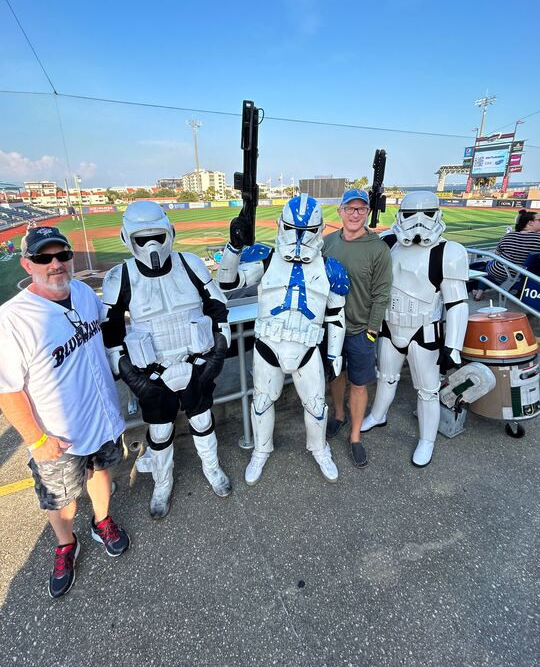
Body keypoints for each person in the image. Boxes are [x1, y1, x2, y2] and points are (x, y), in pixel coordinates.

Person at [0, 226, 130, 599]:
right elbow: (7, 390)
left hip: (101, 416)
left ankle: (102, 522)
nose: (55, 264)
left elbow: (108, 327)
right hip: (56, 434)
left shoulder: (85, 293)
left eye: (62, 255)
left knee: (103, 471)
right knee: (61, 499)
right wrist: (36, 440)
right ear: (28, 264)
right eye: (44, 258)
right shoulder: (13, 319)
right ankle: (64, 545)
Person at [101, 201, 231, 519]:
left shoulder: (190, 265)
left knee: (203, 421)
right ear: (127, 238)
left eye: (157, 236)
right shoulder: (120, 278)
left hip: (196, 363)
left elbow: (219, 310)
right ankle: (162, 483)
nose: (152, 246)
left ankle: (212, 470)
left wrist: (217, 354)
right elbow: (112, 336)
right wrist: (131, 377)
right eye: (142, 240)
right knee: (159, 433)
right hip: (153, 373)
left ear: (170, 232)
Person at [217, 193, 349, 485]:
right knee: (262, 403)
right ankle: (261, 451)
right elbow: (226, 282)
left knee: (316, 405)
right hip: (268, 346)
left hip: (308, 348)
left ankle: (320, 449)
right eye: (293, 229)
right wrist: (234, 248)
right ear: (280, 225)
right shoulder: (264, 259)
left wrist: (334, 355)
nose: (299, 239)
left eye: (307, 232)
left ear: (319, 230)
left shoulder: (330, 268)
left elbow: (336, 316)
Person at [362, 192, 469, 466]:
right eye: (410, 215)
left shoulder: (448, 252)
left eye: (426, 214)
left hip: (424, 332)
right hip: (389, 326)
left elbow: (457, 303)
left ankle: (427, 439)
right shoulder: (387, 242)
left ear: (437, 214)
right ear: (400, 215)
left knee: (427, 390)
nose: (418, 222)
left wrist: (454, 346)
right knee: (385, 376)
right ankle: (378, 414)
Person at [323, 188, 393, 468]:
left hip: (362, 329)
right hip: (331, 329)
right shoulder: (327, 243)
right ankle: (339, 415)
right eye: (349, 209)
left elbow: (382, 294)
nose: (355, 214)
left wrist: (372, 330)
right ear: (340, 211)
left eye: (360, 209)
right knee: (336, 376)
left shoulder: (378, 249)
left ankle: (355, 437)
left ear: (366, 213)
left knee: (360, 385)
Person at [471, 209, 540, 300]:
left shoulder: (509, 236)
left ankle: (478, 293)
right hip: (523, 275)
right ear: (530, 223)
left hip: (501, 271)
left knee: (487, 266)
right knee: (490, 267)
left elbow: (497, 253)